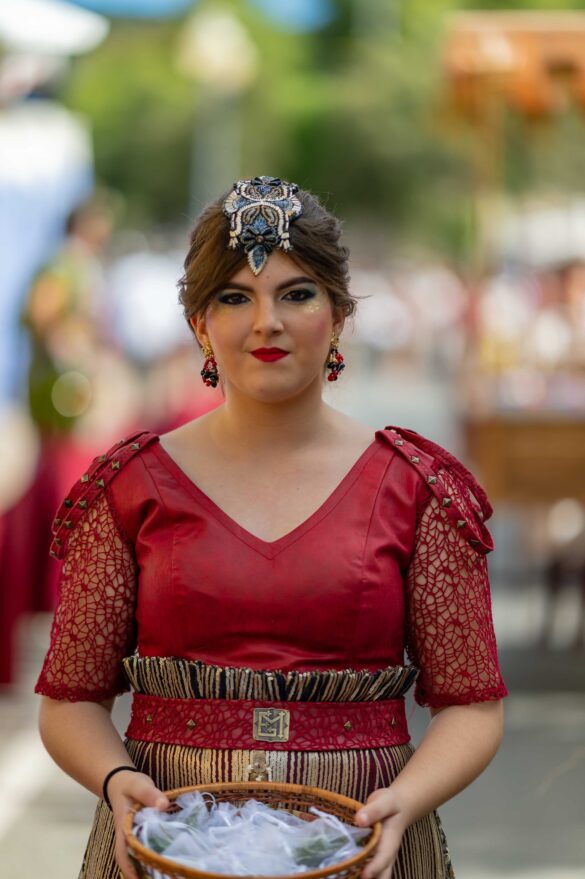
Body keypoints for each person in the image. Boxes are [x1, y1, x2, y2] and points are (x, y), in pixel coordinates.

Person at [36, 176, 508, 879]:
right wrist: (115, 779)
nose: (267, 322)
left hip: (361, 846)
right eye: (235, 298)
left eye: (297, 294)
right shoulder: (129, 486)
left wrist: (404, 802)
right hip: (168, 847)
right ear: (200, 324)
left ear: (338, 314)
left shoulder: (417, 489)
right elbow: (70, 699)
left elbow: (472, 705)